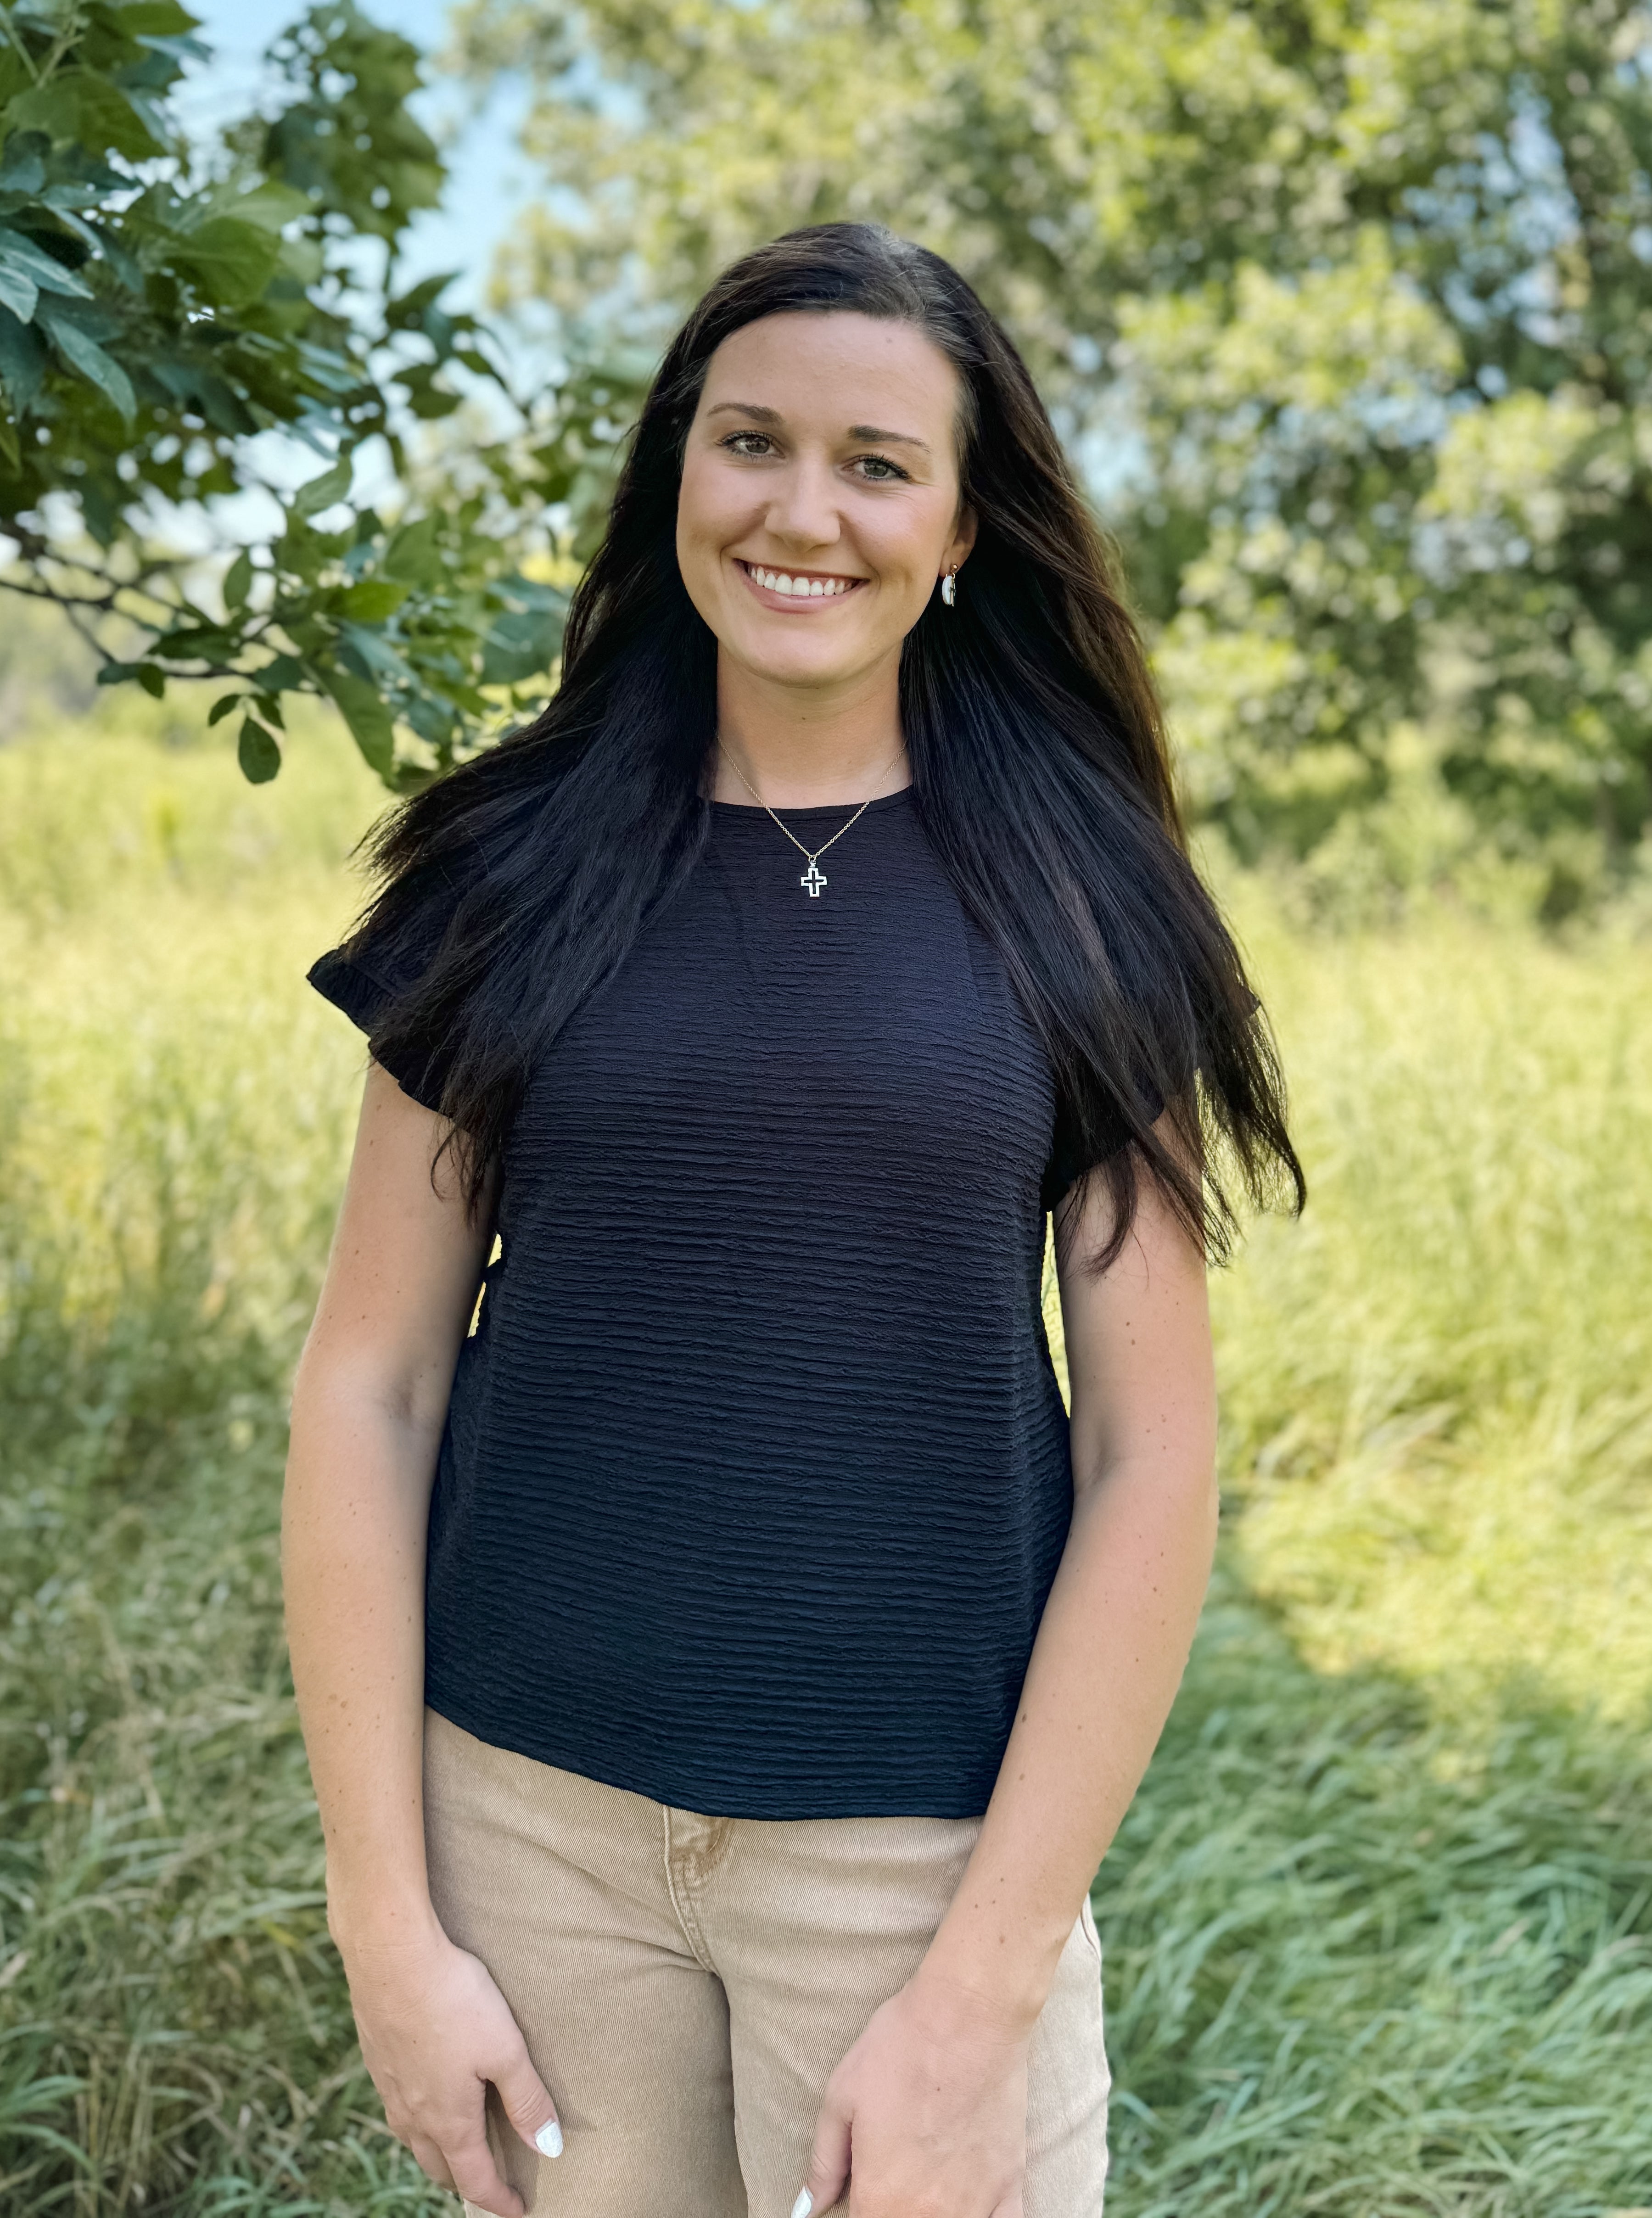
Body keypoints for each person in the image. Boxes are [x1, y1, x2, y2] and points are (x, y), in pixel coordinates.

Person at [283, 221, 1302, 2218]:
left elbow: (1153, 1446)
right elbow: (370, 1386)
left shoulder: (1088, 903)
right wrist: (385, 1919)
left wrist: (983, 1988)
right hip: (528, 1837)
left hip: (915, 1874)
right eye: (751, 441)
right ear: (679, 469)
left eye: (875, 462)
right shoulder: (504, 870)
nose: (802, 511)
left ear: (958, 527)